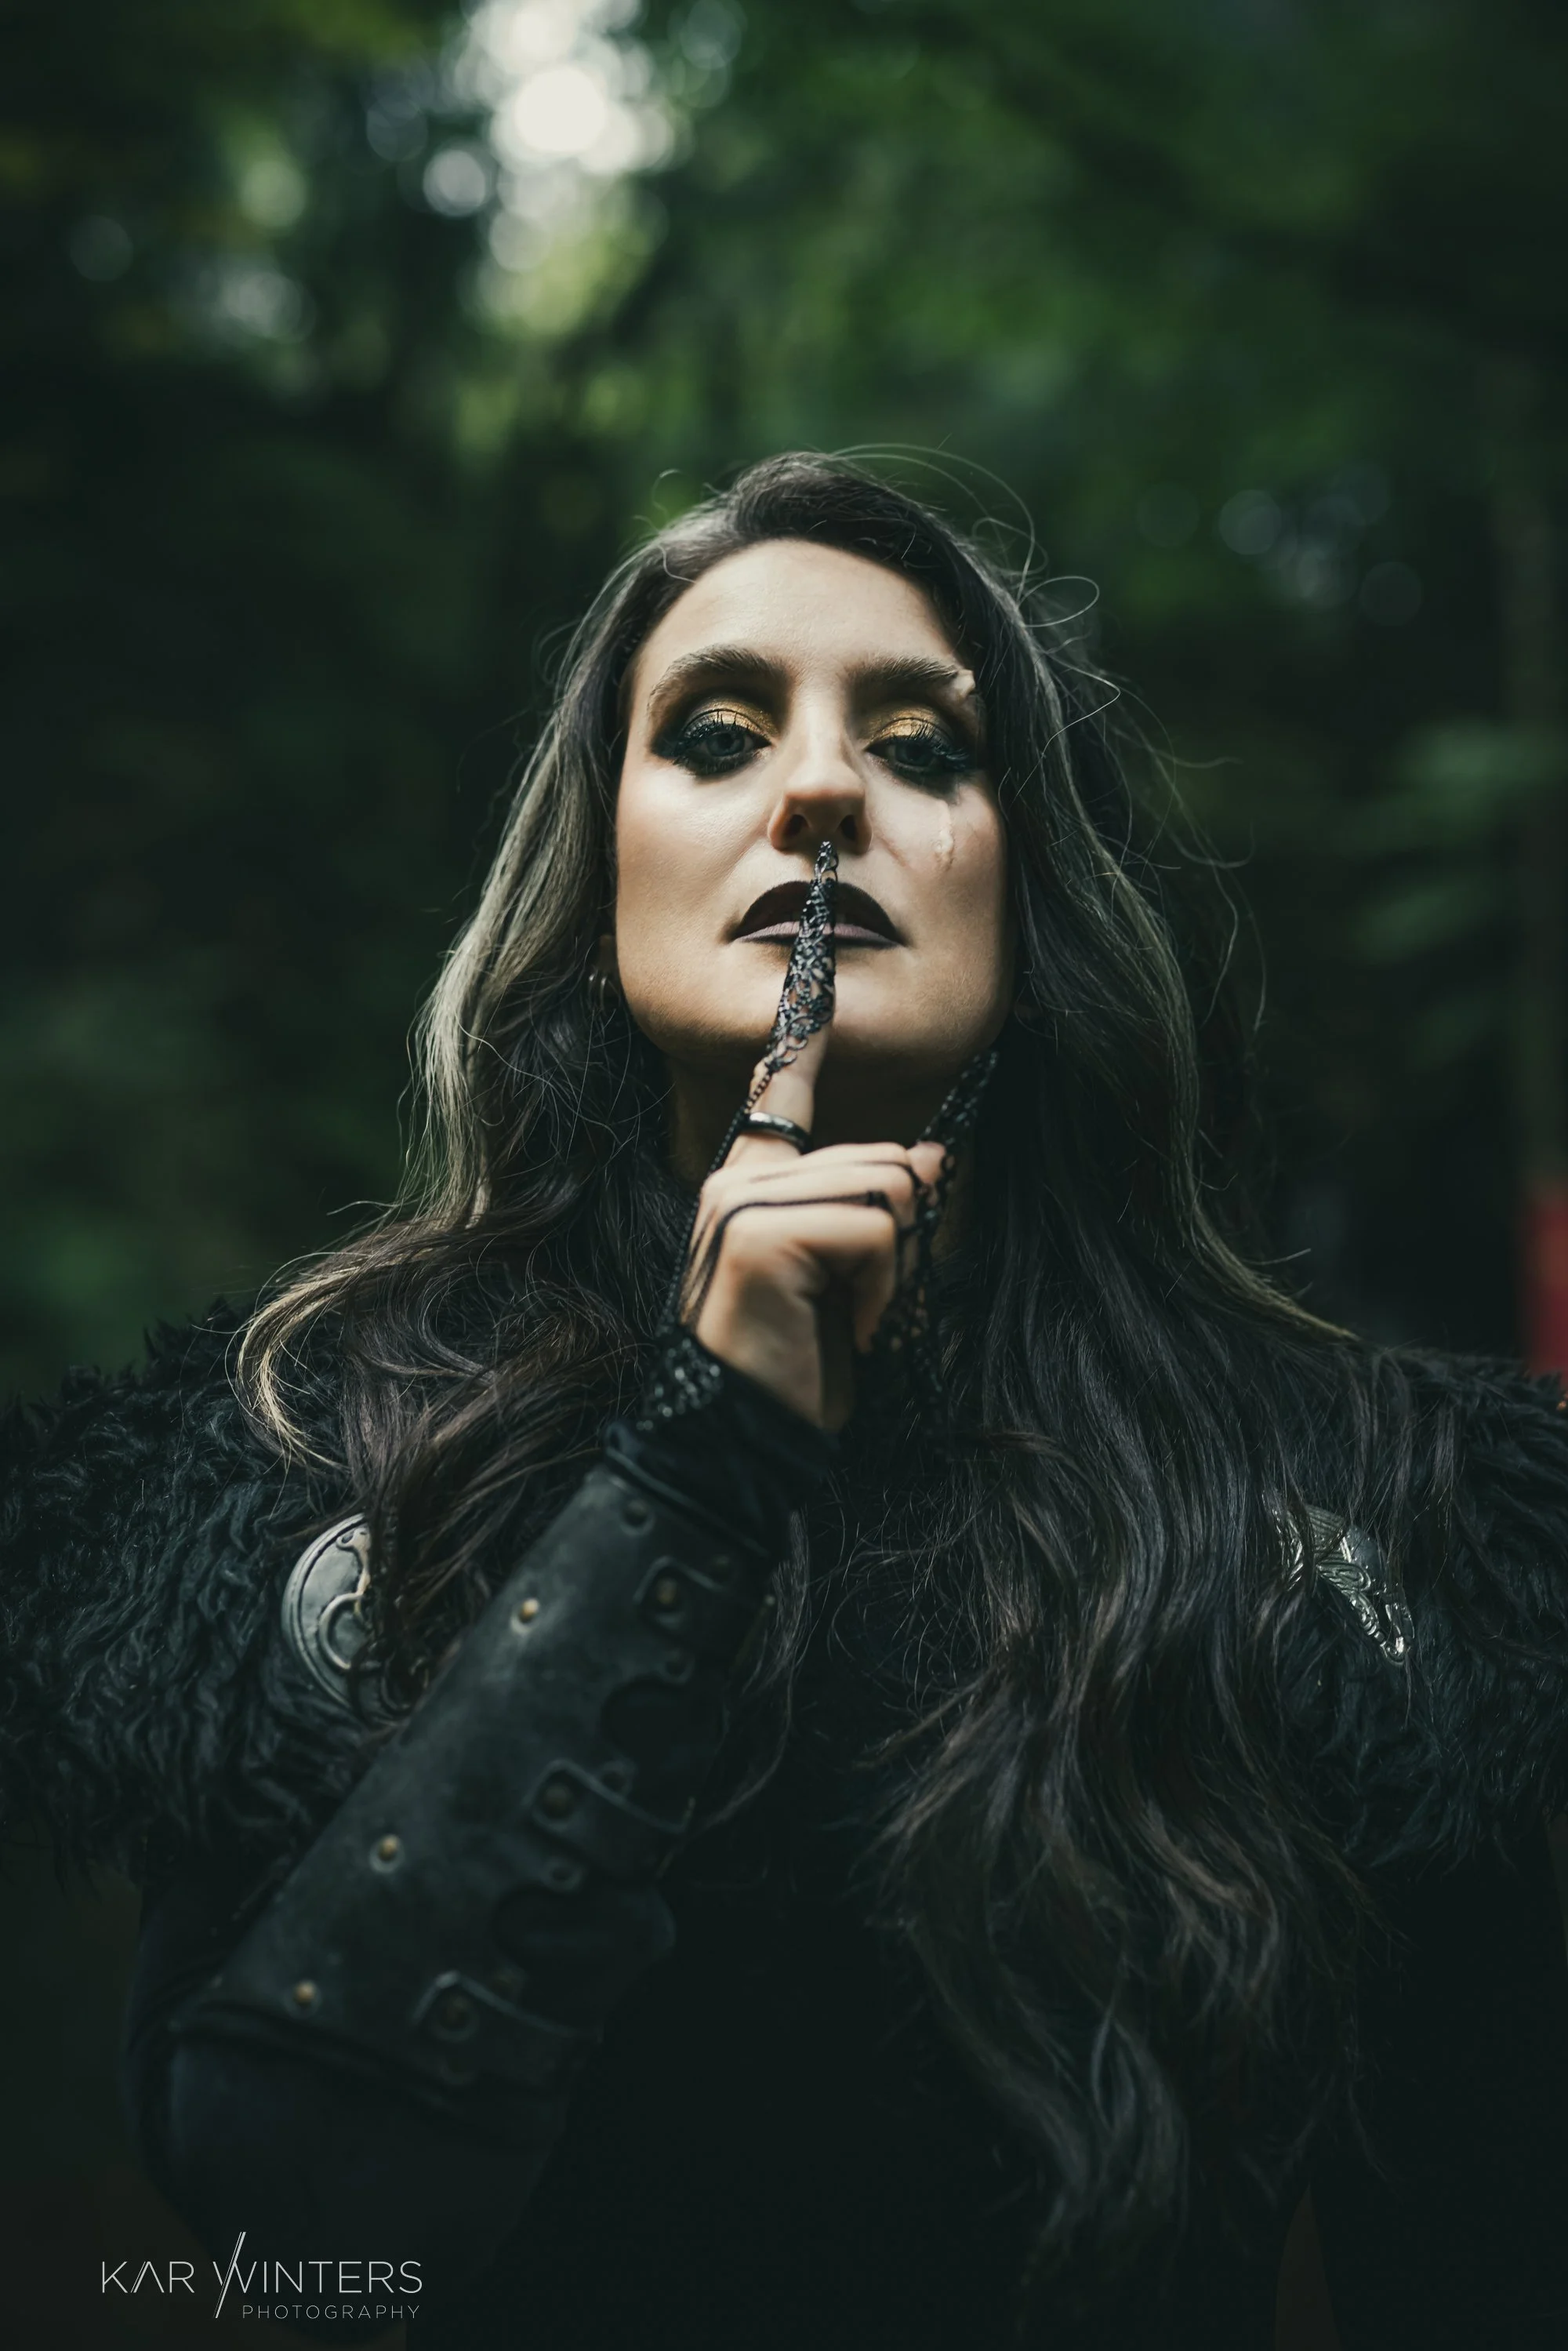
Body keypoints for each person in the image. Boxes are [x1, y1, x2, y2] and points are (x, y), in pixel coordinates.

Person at [4, 453, 1567, 2351]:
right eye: (721, 730)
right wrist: (701, 1453)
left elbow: (1486, 2262)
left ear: (1032, 901)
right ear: (593, 893)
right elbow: (290, 2207)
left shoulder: (1371, 1514)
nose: (823, 788)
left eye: (924, 749)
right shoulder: (328, 1434)